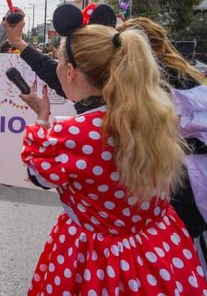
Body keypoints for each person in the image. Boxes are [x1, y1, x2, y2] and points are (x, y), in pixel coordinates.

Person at [18, 22, 206, 294]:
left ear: (69, 72)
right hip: (161, 248)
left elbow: (39, 175)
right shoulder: (157, 115)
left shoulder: (73, 134)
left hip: (95, 258)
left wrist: (42, 118)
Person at [118, 17, 207, 264]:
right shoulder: (188, 76)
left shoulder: (156, 84)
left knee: (177, 255)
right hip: (192, 181)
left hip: (179, 184)